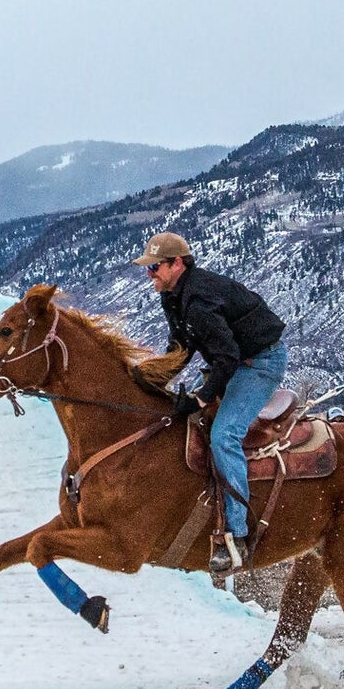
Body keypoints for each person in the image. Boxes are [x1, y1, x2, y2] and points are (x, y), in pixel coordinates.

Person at [136, 231, 287, 574]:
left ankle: (238, 534)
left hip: (259, 363)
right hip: (232, 361)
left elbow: (228, 357)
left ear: (176, 264)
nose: (150, 275)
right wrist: (153, 378)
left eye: (154, 267)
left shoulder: (199, 301)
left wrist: (201, 397)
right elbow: (182, 346)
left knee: (224, 435)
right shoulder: (173, 296)